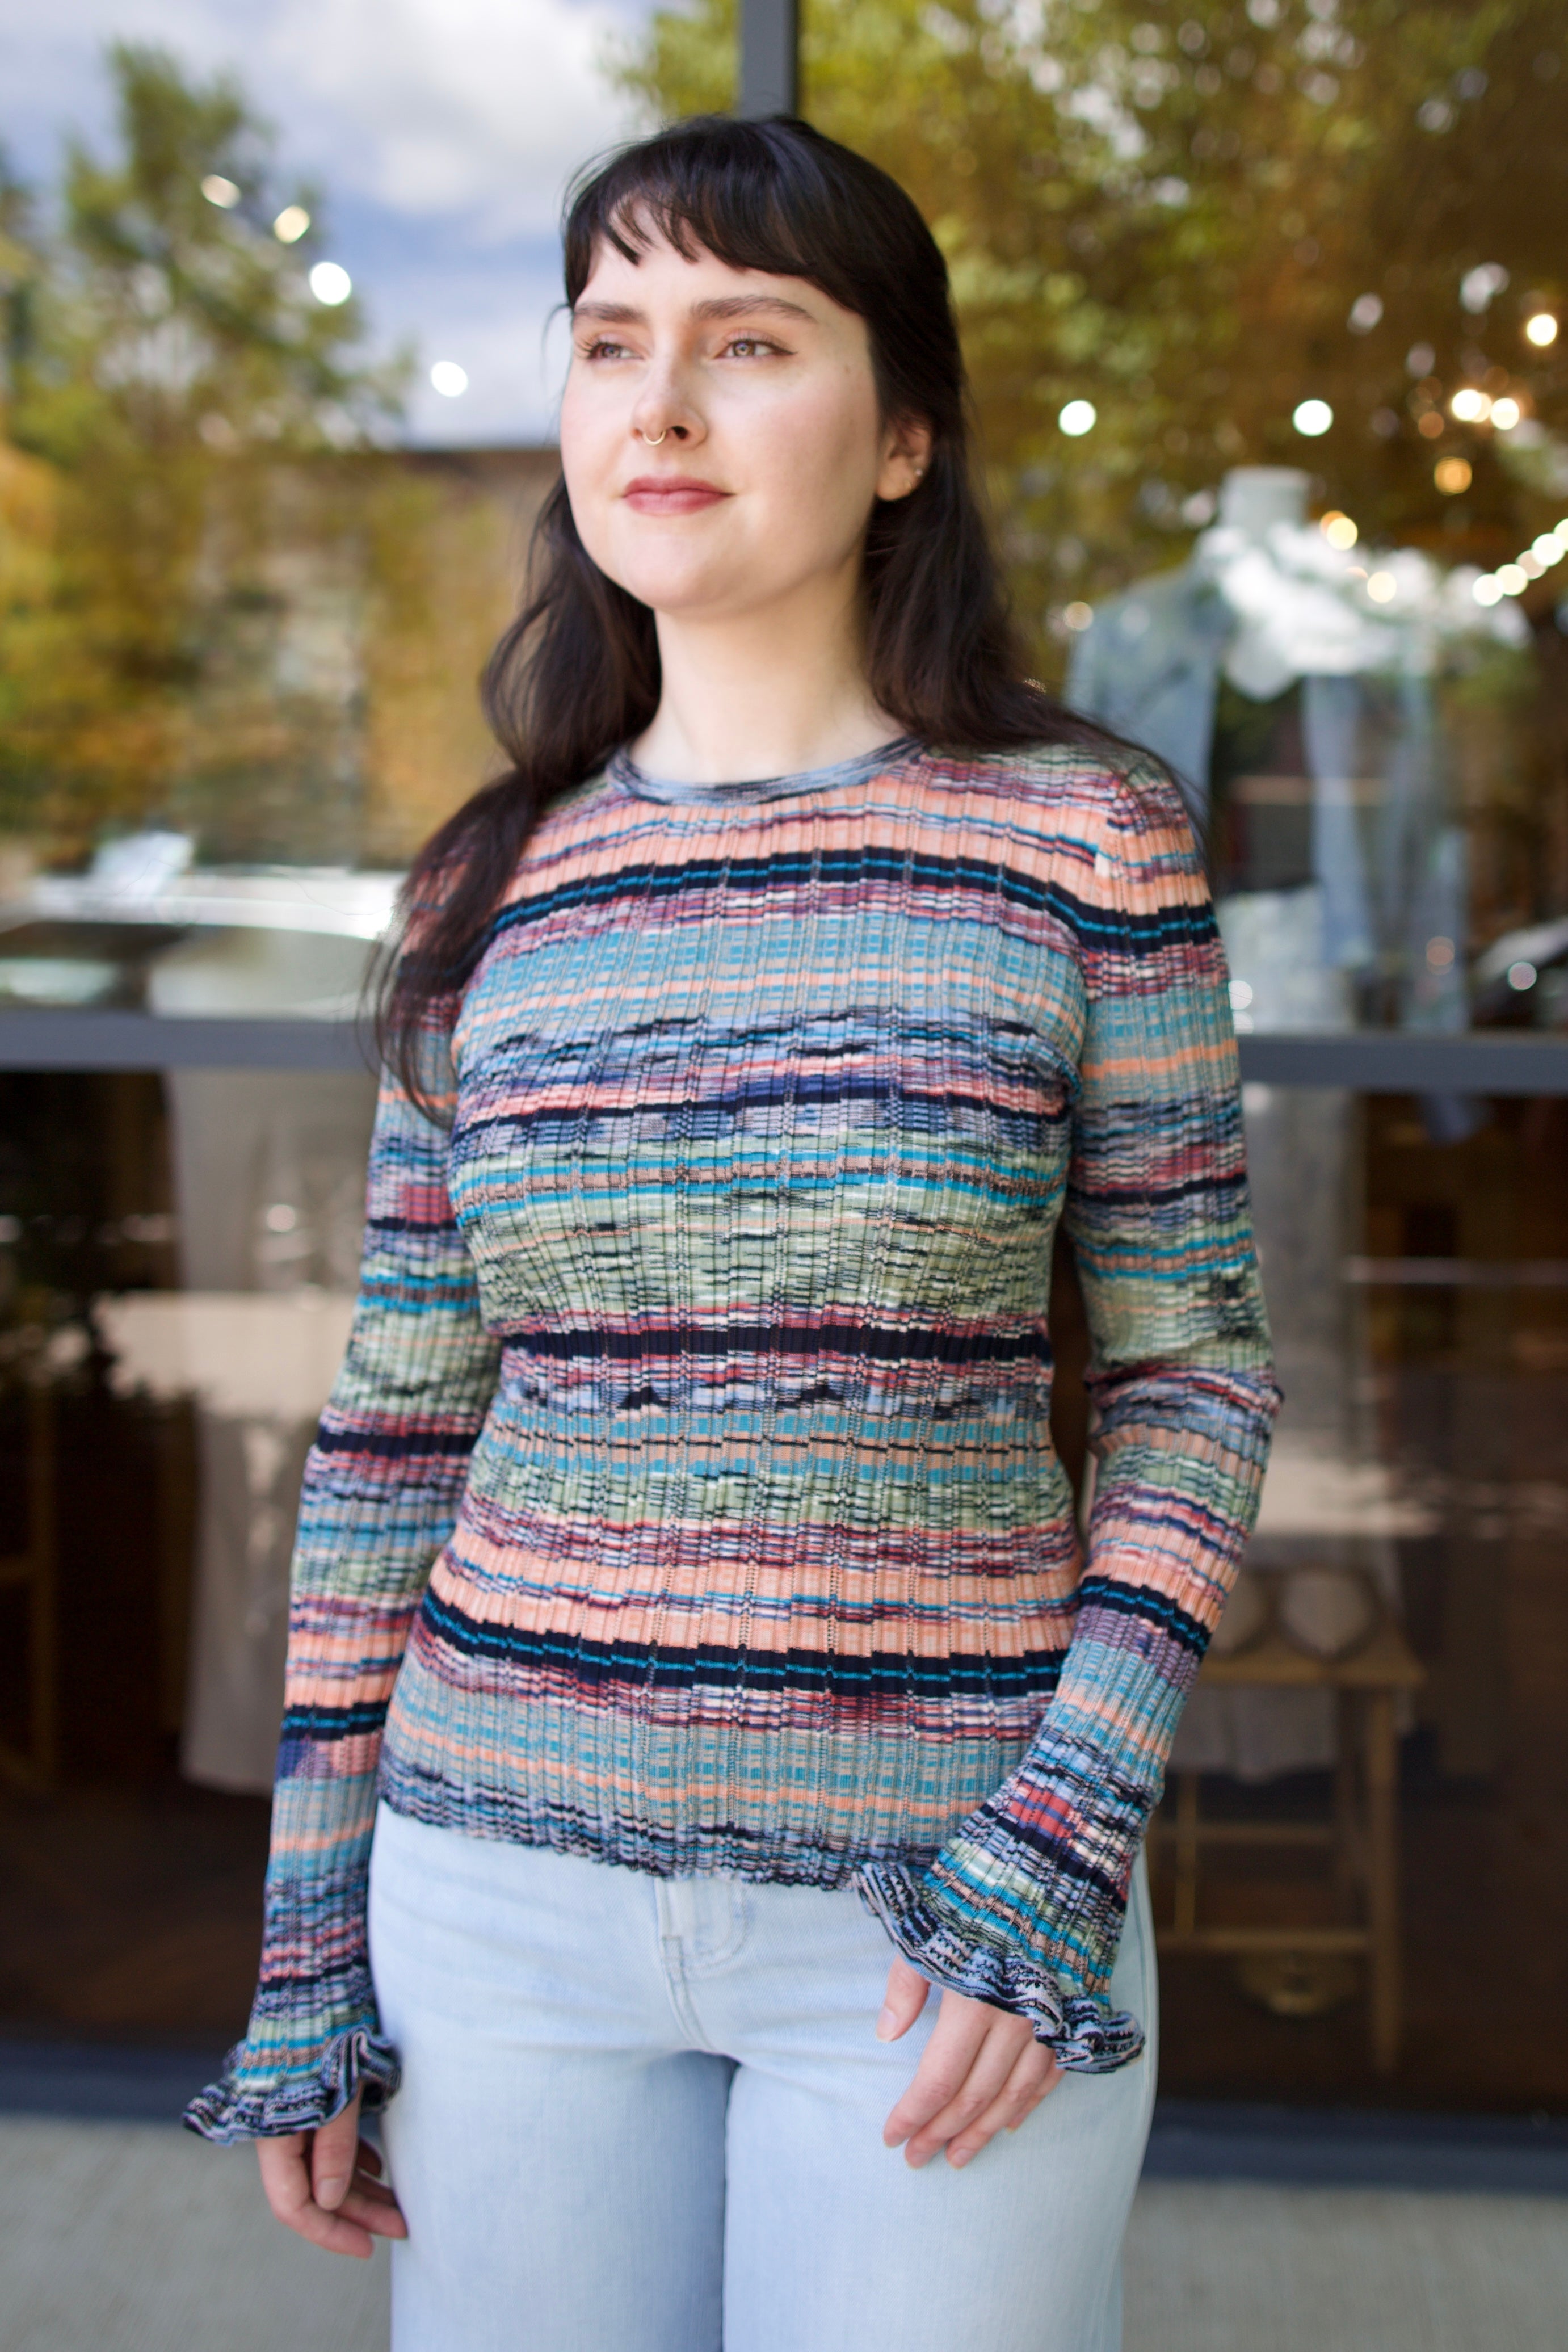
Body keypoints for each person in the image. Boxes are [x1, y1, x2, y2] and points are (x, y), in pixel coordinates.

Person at [187, 114, 1279, 2352]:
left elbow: (1193, 1377)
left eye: (743, 340)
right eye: (610, 343)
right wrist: (312, 1940)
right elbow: (393, 1436)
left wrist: (1057, 1842)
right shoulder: (485, 884)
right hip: (495, 1900)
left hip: (934, 1913)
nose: (655, 405)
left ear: (900, 439)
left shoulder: (1081, 843)